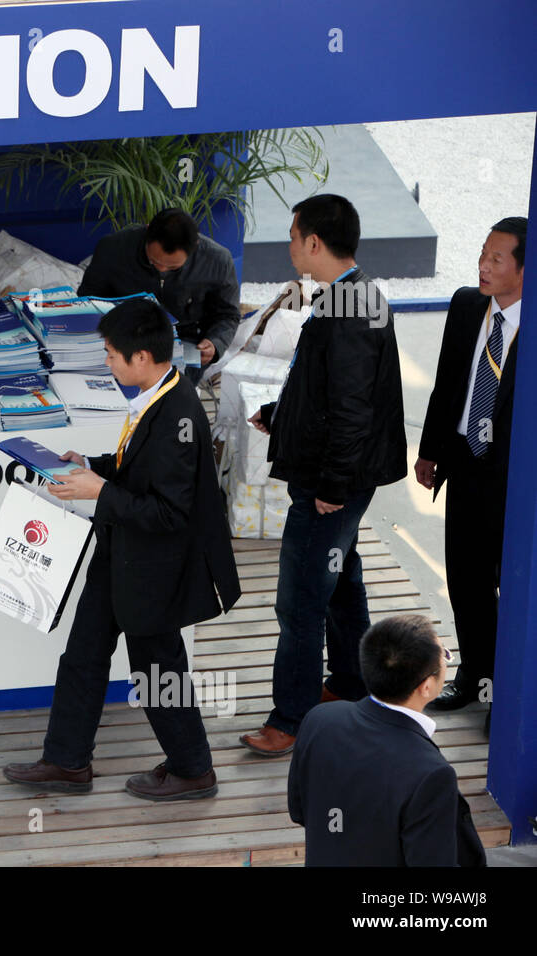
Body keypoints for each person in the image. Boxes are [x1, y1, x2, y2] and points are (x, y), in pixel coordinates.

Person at [2, 297, 241, 800]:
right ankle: (67, 761)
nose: (106, 363)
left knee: (157, 671)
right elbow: (139, 469)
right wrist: (89, 465)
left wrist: (99, 492)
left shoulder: (177, 417)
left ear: (141, 358)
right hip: (121, 555)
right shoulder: (158, 394)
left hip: (155, 570)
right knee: (84, 655)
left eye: (111, 354)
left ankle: (193, 769)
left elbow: (169, 513)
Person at [242, 194, 406, 756]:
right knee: (341, 580)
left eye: (293, 236)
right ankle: (352, 682)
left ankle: (290, 719)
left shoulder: (350, 310)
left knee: (300, 599)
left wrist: (333, 487)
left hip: (330, 484)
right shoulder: (351, 297)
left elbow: (353, 410)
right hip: (333, 473)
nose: (289, 247)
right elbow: (326, 390)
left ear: (314, 242)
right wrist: (281, 419)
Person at [414, 218, 525, 719]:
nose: (483, 265)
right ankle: (476, 678)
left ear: (525, 268)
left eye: (496, 259)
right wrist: (429, 450)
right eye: (483, 253)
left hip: (515, 481)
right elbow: (445, 385)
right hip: (464, 465)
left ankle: (508, 696)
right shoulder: (464, 307)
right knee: (466, 579)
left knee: (513, 585)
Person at [287, 614, 486, 866]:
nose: (447, 661)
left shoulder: (320, 719)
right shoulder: (431, 775)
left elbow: (299, 810)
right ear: (425, 686)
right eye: (444, 655)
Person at [77, 207, 242, 386]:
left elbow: (227, 315)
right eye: (153, 261)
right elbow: (88, 301)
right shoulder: (113, 249)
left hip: (184, 344)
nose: (161, 269)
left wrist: (215, 343)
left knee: (169, 396)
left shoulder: (217, 261)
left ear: (194, 246)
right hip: (122, 341)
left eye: (172, 267)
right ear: (147, 231)